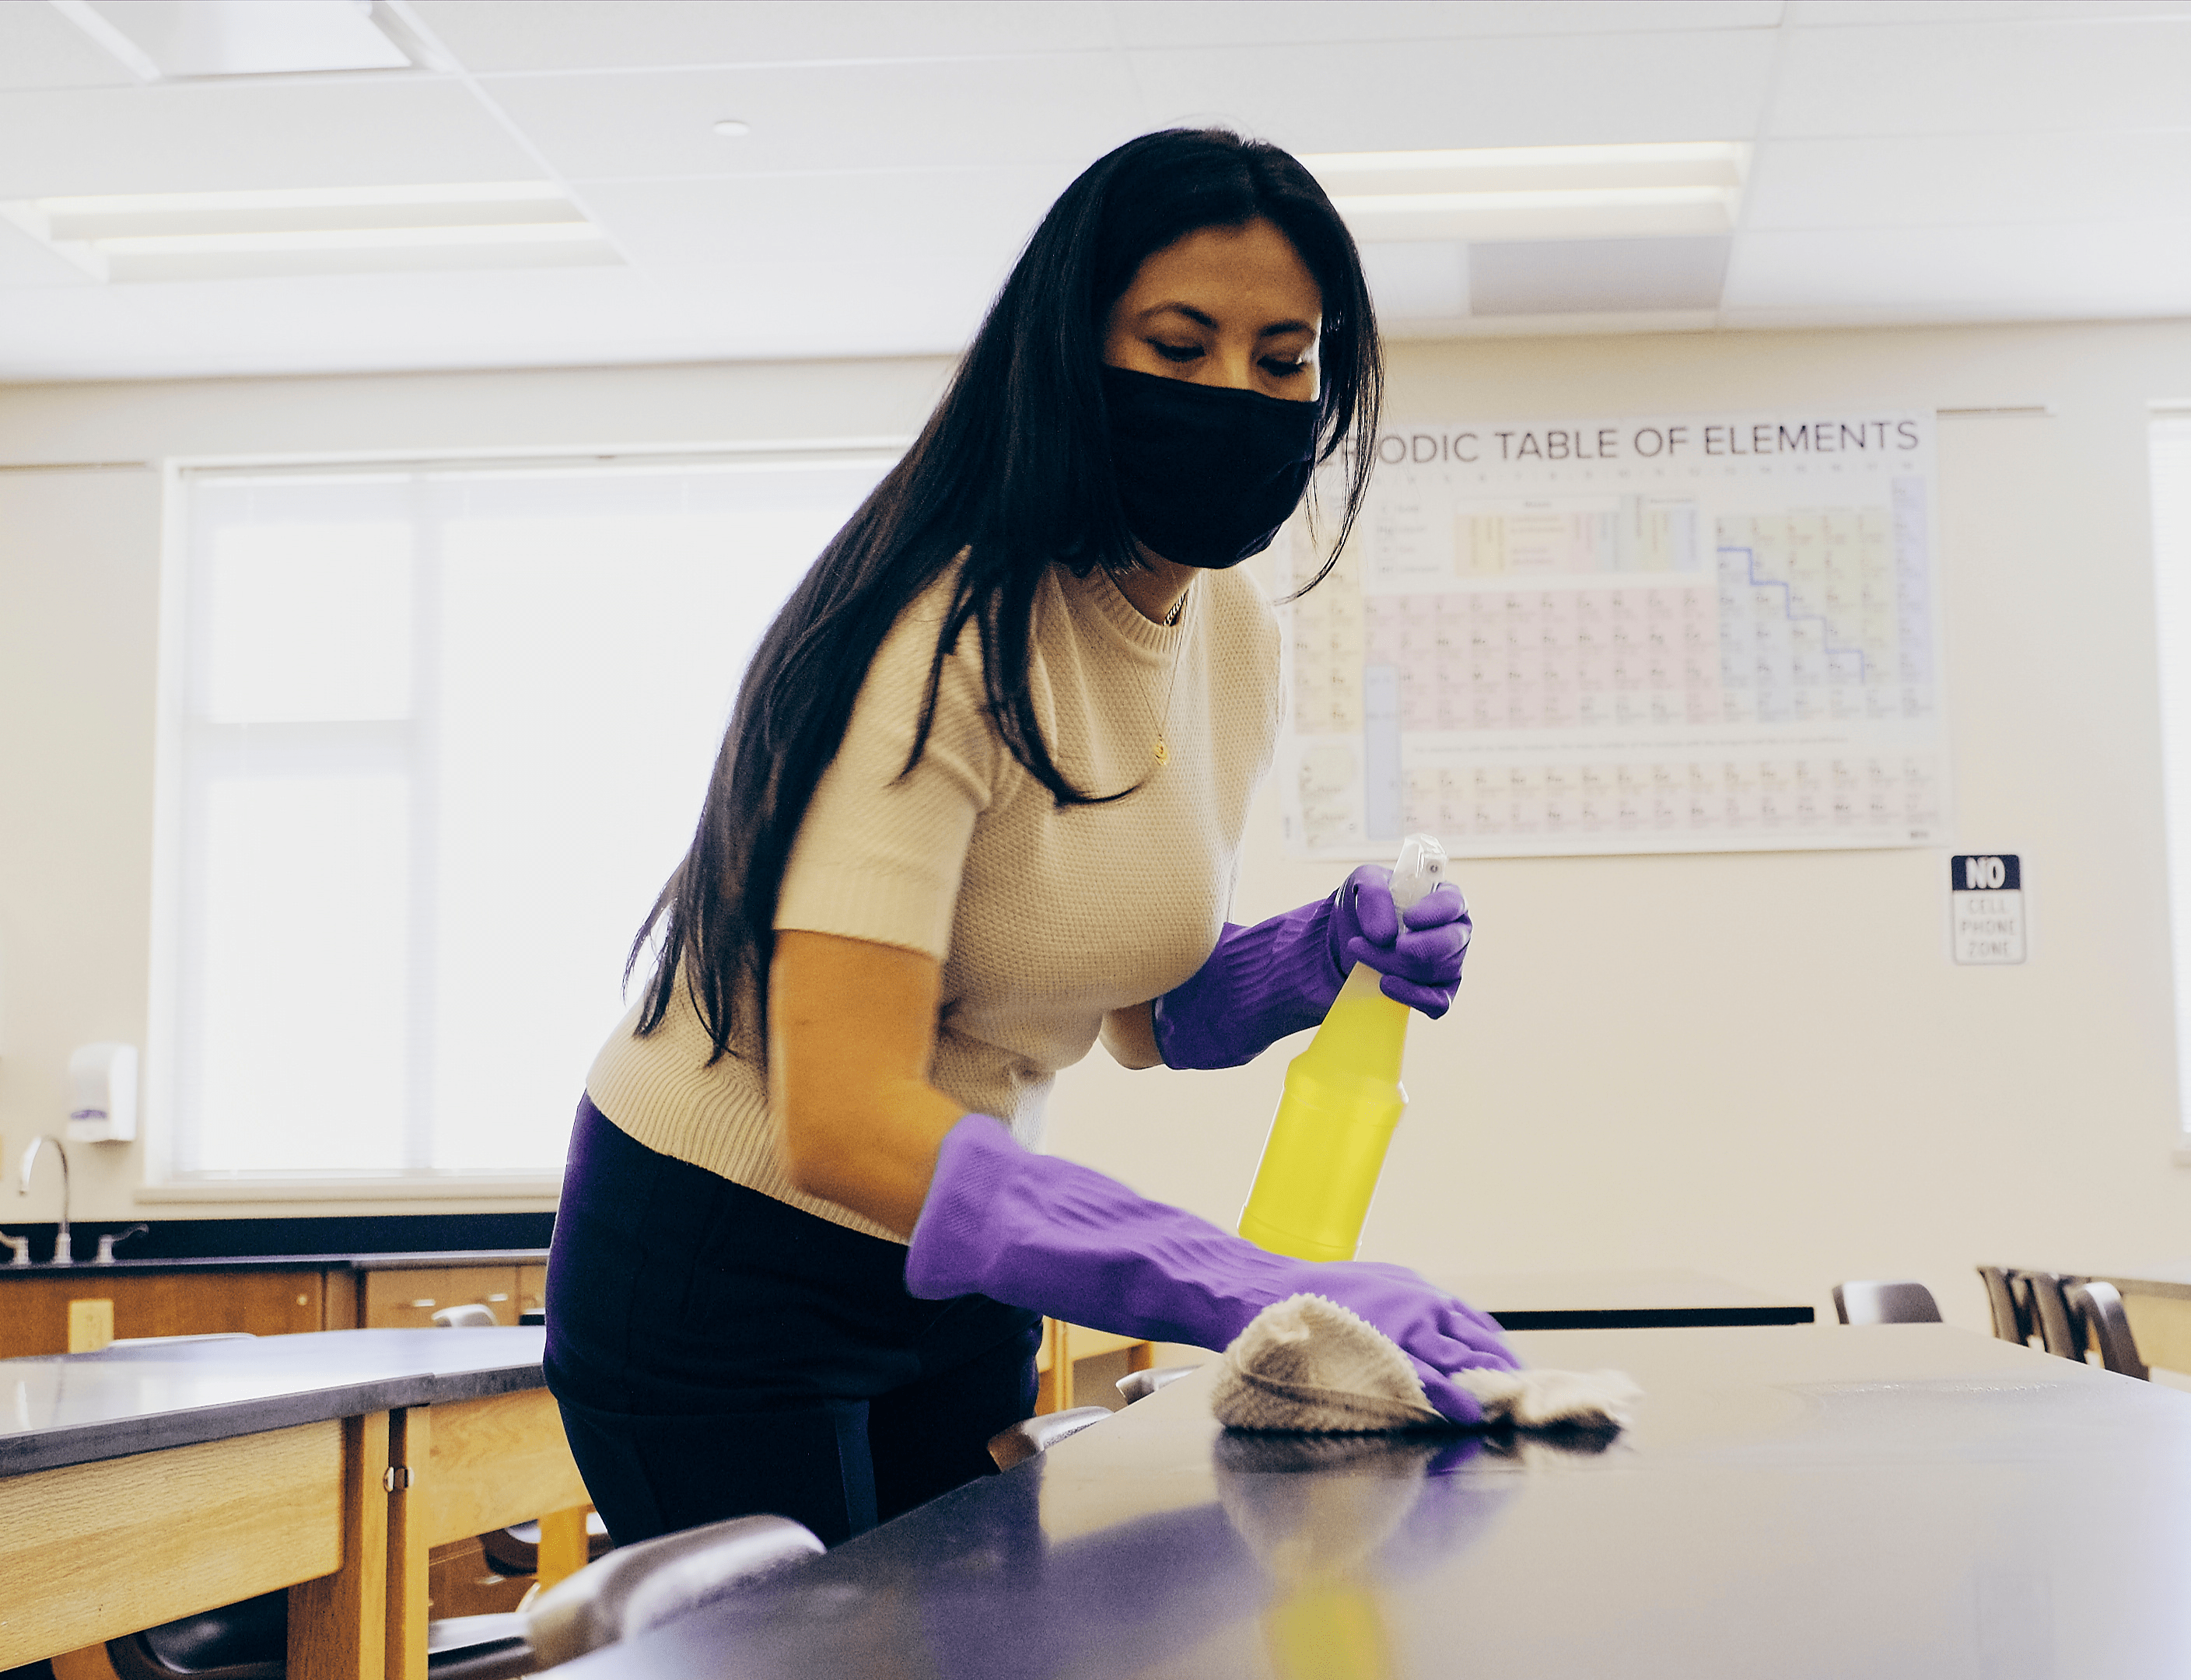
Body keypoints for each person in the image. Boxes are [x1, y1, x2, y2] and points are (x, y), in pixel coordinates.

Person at [542, 128, 1514, 1549]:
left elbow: (1133, 1006)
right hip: (725, 1252)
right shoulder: (940, 634)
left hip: (950, 1260)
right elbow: (847, 1116)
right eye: (1178, 348)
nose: (1234, 394)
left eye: (1282, 358)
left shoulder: (1229, 634)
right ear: (1066, 354)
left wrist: (1312, 957)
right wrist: (1233, 1278)